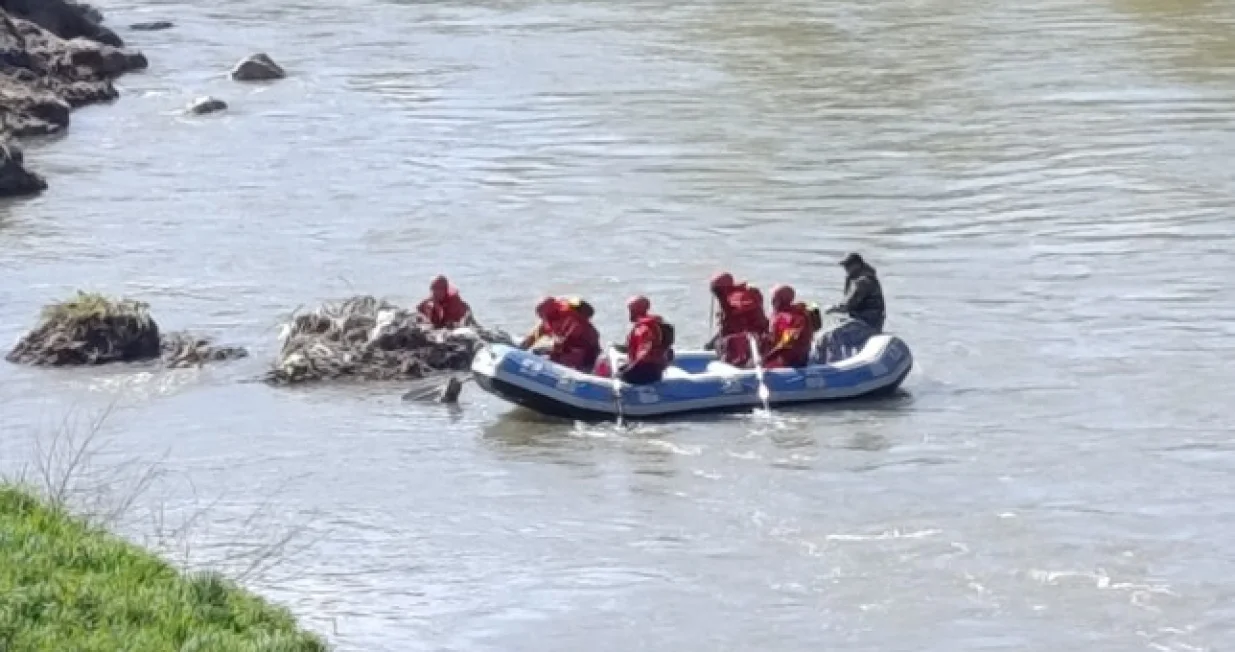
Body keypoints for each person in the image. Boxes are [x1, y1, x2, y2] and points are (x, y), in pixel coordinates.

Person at [519, 296, 601, 373]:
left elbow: (563, 344)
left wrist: (551, 351)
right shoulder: (546, 322)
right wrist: (521, 349)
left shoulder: (573, 321)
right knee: (537, 351)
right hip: (568, 349)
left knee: (555, 355)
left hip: (584, 352)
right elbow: (532, 337)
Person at [708, 272, 769, 367]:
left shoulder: (739, 297)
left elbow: (736, 315)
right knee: (712, 345)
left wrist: (724, 302)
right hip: (736, 335)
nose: (716, 295)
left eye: (716, 291)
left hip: (750, 338)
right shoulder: (728, 297)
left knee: (723, 344)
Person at [616, 295, 673, 385]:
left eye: (631, 310)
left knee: (621, 374)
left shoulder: (645, 328)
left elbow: (645, 354)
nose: (629, 313)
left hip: (647, 371)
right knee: (621, 369)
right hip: (651, 368)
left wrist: (628, 371)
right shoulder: (648, 324)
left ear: (637, 310)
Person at [827, 253, 886, 332]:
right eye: (845, 266)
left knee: (833, 330)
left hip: (868, 320)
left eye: (848, 265)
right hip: (868, 319)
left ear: (857, 265)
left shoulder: (863, 281)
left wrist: (831, 309)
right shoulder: (858, 278)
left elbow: (847, 306)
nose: (846, 268)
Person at [763, 284, 814, 368]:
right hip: (780, 354)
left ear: (782, 300)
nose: (772, 301)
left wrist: (767, 358)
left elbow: (787, 343)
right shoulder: (779, 314)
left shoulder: (794, 318)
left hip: (793, 361)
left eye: (774, 298)